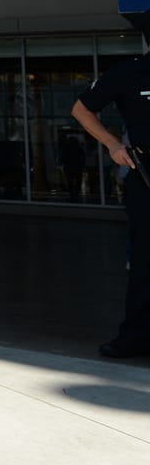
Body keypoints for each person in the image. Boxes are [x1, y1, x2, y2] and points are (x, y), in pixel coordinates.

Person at [71, 27, 150, 359]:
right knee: (145, 263)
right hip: (145, 179)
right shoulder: (131, 72)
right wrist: (113, 144)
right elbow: (81, 108)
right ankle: (136, 337)